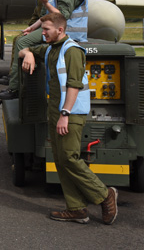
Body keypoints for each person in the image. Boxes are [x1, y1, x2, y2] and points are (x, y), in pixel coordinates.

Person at [17, 13, 117, 224]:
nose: (42, 33)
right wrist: (28, 54)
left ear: (60, 30)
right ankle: (76, 208)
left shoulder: (71, 51)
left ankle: (104, 195)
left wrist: (65, 114)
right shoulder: (51, 48)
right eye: (42, 29)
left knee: (69, 158)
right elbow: (22, 48)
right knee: (60, 161)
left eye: (46, 29)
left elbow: (74, 84)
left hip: (70, 112)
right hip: (55, 110)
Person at [0, 0, 88, 100]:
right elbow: (47, 16)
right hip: (56, 29)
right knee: (23, 38)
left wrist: (45, 3)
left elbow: (62, 16)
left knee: (22, 42)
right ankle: (21, 81)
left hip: (66, 32)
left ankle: (15, 88)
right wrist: (32, 27)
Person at [0, 0, 47, 86]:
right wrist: (30, 28)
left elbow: (45, 16)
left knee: (20, 41)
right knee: (18, 38)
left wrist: (33, 29)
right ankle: (13, 75)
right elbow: (36, 15)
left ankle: (15, 82)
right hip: (41, 26)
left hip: (46, 27)